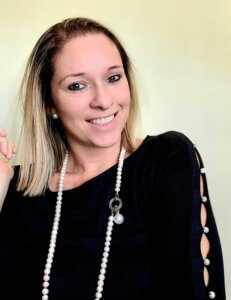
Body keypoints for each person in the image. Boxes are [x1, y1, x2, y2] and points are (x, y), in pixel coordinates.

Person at [0, 17, 226, 300]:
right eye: (77, 86)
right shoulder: (17, 191)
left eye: (113, 78)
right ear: (49, 104)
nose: (104, 100)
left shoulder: (166, 159)